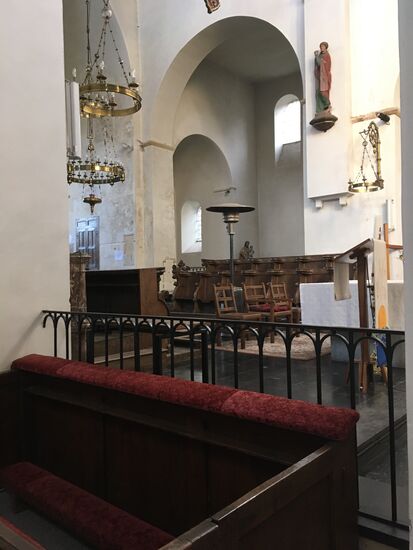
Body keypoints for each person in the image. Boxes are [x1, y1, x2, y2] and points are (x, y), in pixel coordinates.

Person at [314, 42, 332, 113]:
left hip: (325, 76)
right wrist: (317, 57)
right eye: (321, 46)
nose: (321, 48)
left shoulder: (326, 55)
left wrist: (316, 56)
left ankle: (328, 105)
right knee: (318, 93)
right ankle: (320, 110)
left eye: (323, 46)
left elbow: (321, 64)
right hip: (320, 76)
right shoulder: (320, 55)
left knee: (323, 92)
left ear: (326, 47)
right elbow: (317, 64)